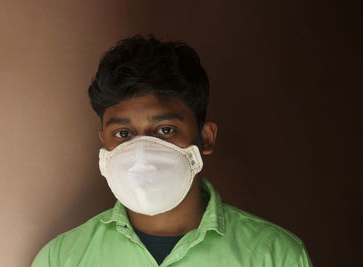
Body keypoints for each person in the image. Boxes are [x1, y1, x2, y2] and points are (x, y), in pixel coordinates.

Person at [31, 34, 312, 267]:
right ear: (104, 142)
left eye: (165, 130)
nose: (141, 152)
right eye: (123, 134)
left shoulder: (275, 256)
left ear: (205, 138)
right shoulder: (60, 259)